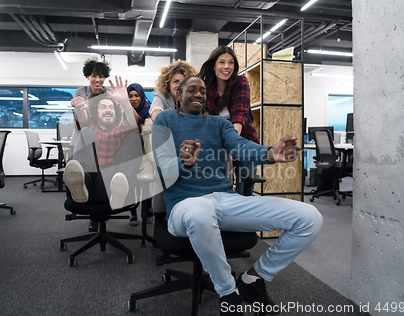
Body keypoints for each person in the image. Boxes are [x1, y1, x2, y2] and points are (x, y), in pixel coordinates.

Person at [152, 76, 322, 316]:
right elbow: (162, 168)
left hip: (225, 199)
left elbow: (241, 146)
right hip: (185, 206)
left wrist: (270, 153)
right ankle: (227, 293)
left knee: (310, 217)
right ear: (178, 95)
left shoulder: (219, 124)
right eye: (192, 90)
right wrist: (184, 162)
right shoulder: (165, 120)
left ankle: (254, 278)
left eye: (203, 90)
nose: (199, 94)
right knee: (200, 212)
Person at [64, 77, 144, 230]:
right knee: (85, 132)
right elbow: (83, 120)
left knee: (134, 136)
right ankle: (80, 184)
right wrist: (80, 108)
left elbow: (135, 125)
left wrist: (125, 102)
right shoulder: (91, 126)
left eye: (111, 107)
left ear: (115, 112)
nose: (108, 109)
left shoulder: (121, 129)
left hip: (116, 183)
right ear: (96, 112)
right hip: (91, 184)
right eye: (103, 107)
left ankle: (121, 188)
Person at [198, 45, 258, 195]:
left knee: (245, 186)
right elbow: (207, 120)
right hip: (217, 144)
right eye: (222, 62)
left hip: (243, 140)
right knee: (220, 186)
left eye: (231, 62)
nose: (227, 67)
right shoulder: (206, 87)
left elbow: (240, 114)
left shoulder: (241, 82)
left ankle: (244, 215)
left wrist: (233, 146)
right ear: (213, 66)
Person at [127, 83, 154, 226]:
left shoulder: (148, 110)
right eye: (130, 96)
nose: (133, 99)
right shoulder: (122, 113)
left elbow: (148, 128)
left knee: (147, 180)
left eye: (137, 95)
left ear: (142, 96)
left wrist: (139, 128)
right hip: (128, 154)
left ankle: (148, 207)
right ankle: (133, 213)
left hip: (145, 154)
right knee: (129, 180)